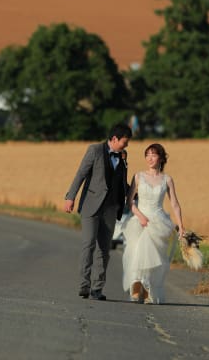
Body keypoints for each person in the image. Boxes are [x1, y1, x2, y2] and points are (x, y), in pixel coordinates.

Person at [63, 123, 132, 300]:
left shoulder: (123, 155)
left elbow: (121, 181)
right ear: (115, 139)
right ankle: (84, 285)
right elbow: (81, 174)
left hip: (111, 209)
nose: (127, 145)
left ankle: (97, 288)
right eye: (125, 141)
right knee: (89, 245)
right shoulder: (94, 150)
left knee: (104, 250)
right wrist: (70, 197)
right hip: (90, 206)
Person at [121, 143, 184, 304]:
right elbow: (129, 201)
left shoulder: (167, 179)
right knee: (137, 252)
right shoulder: (138, 176)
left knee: (155, 257)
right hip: (140, 219)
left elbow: (175, 204)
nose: (150, 158)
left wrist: (181, 226)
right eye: (147, 154)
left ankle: (149, 289)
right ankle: (136, 286)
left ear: (161, 158)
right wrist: (140, 216)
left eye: (154, 155)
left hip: (158, 221)